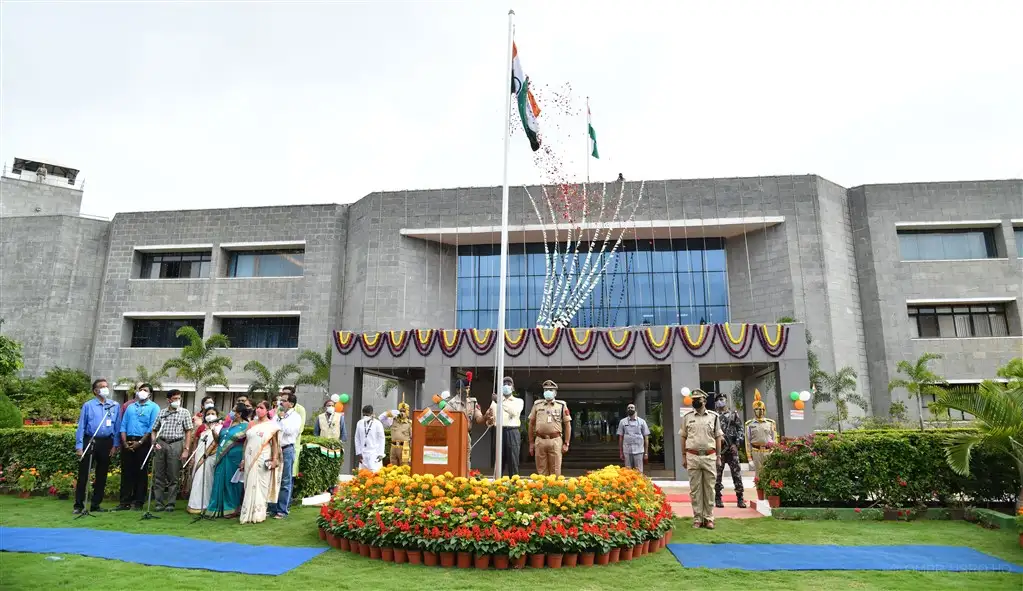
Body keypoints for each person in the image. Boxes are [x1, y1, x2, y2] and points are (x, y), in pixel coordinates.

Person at [73, 378, 121, 514]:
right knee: (84, 475)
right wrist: (79, 446)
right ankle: (78, 505)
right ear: (95, 391)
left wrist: (115, 445)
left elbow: (117, 426)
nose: (106, 388)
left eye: (107, 386)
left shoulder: (114, 405)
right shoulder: (88, 405)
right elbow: (81, 426)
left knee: (102, 475)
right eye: (102, 387)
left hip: (106, 442)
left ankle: (96, 504)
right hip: (91, 440)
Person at [680, 389, 723, 529]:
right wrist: (684, 456)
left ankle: (709, 518)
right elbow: (683, 437)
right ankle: (697, 518)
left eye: (698, 399)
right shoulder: (687, 417)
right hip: (692, 456)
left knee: (710, 488)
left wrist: (719, 456)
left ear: (704, 401)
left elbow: (718, 437)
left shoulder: (714, 417)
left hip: (709, 456)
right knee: (695, 489)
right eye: (693, 399)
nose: (695, 402)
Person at [114, 383, 159, 511]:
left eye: (145, 390)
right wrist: (124, 442)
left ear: (150, 394)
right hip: (128, 441)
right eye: (140, 390)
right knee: (126, 472)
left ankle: (138, 501)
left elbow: (152, 427)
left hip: (143, 442)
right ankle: (124, 501)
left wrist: (139, 442)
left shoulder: (154, 407)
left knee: (141, 472)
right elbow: (123, 425)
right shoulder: (130, 407)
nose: (142, 392)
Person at [151, 389, 194, 512]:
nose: (177, 401)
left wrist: (186, 449)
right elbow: (154, 430)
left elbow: (188, 431)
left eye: (179, 398)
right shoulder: (162, 412)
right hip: (161, 443)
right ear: (168, 400)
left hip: (176, 443)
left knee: (173, 475)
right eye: (175, 399)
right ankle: (158, 502)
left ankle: (170, 503)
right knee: (159, 475)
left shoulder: (184, 412)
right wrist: (154, 442)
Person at [240, 401, 283, 524]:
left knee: (261, 485)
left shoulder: (272, 425)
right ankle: (247, 513)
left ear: (267, 410)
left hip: (263, 457)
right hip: (249, 457)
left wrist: (274, 459)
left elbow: (275, 444)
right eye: (257, 407)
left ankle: (259, 514)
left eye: (261, 408)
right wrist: (243, 459)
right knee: (249, 484)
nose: (258, 410)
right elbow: (246, 442)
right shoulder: (251, 424)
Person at [207, 403, 249, 518]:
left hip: (235, 457)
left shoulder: (246, 425)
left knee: (231, 482)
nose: (231, 412)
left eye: (234, 410)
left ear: (239, 414)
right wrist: (213, 432)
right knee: (219, 479)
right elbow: (219, 440)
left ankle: (231, 508)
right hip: (221, 455)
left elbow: (246, 442)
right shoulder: (227, 423)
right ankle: (216, 507)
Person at [269, 390, 302, 519]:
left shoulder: (295, 417)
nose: (280, 402)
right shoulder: (276, 415)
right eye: (280, 400)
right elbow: (271, 428)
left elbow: (290, 431)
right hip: (274, 449)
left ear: (291, 404)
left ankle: (282, 509)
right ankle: (272, 507)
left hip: (287, 449)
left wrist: (282, 419)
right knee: (273, 478)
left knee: (285, 480)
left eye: (284, 400)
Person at [528, 380, 572, 476]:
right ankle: (543, 490)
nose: (548, 392)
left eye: (551, 390)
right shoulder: (537, 405)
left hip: (555, 440)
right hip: (540, 440)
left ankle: (554, 489)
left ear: (555, 393)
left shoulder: (561, 405)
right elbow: (531, 424)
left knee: (555, 470)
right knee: (541, 469)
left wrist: (566, 443)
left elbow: (567, 425)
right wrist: (531, 442)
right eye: (546, 389)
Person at [485, 376, 523, 476]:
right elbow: (489, 420)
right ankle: (498, 484)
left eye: (508, 384)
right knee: (498, 461)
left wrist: (499, 401)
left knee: (513, 461)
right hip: (498, 431)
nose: (506, 386)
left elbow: (514, 412)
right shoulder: (495, 402)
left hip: (512, 432)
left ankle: (514, 485)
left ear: (513, 388)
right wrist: (489, 420)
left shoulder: (518, 401)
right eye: (504, 384)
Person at [714, 394, 746, 508]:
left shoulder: (734, 414)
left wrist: (736, 444)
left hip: (732, 449)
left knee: (736, 474)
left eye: (722, 400)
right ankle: (718, 498)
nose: (720, 402)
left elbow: (740, 430)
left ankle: (740, 498)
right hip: (720, 450)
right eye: (718, 400)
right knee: (717, 475)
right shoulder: (714, 416)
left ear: (726, 401)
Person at [187, 409, 221, 514]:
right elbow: (197, 442)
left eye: (213, 414)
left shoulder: (220, 427)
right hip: (199, 455)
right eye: (208, 414)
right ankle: (194, 504)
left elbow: (218, 441)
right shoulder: (202, 428)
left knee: (207, 480)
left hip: (211, 456)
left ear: (217, 415)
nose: (210, 416)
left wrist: (212, 429)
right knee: (197, 479)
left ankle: (206, 504)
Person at [744, 390, 778, 478]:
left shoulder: (770, 423)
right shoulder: (749, 424)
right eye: (757, 409)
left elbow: (775, 439)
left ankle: (767, 492)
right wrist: (749, 458)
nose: (760, 411)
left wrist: (774, 451)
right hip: (756, 452)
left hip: (768, 451)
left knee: (769, 474)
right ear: (754, 410)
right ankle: (760, 492)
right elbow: (747, 442)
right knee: (758, 475)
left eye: (762, 409)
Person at [617, 402, 650, 473]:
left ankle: (640, 484)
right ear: (626, 410)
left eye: (632, 407)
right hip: (627, 451)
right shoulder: (622, 422)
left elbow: (646, 438)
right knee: (628, 472)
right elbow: (620, 438)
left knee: (639, 472)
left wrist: (646, 453)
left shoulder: (642, 422)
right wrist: (621, 452)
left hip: (639, 450)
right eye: (628, 408)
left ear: (635, 410)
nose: (630, 409)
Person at [281, 387, 307, 480]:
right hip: (278, 445)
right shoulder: (280, 410)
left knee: (288, 474)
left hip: (291, 443)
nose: (282, 401)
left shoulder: (300, 409)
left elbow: (299, 429)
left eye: (285, 398)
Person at [380, 399, 412, 467]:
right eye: (400, 411)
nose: (402, 413)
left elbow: (413, 438)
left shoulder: (410, 423)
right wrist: (392, 412)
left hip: (404, 448)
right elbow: (381, 418)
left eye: (404, 411)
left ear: (407, 412)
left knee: (404, 467)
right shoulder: (392, 421)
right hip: (393, 447)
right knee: (393, 467)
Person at [354, 405, 385, 472]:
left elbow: (381, 439)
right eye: (364, 415)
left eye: (367, 415)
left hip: (374, 452)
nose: (365, 416)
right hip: (363, 452)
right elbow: (357, 438)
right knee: (363, 474)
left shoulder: (377, 423)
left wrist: (381, 454)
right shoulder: (359, 423)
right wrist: (358, 452)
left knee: (374, 473)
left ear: (372, 414)